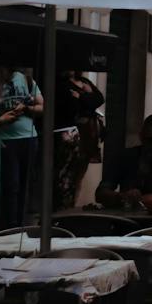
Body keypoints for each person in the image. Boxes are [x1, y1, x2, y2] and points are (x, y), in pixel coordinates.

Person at [0, 61, 43, 229]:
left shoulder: (26, 79)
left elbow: (42, 107)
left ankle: (19, 225)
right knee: (11, 184)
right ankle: (9, 226)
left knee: (24, 185)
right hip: (6, 139)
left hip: (28, 138)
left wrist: (26, 108)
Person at [96, 113, 152, 212]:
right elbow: (100, 194)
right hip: (128, 219)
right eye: (151, 140)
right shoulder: (124, 157)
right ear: (141, 137)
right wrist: (122, 196)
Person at [53, 68, 103, 209]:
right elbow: (73, 105)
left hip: (89, 131)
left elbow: (98, 99)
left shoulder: (85, 82)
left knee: (81, 169)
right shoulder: (63, 84)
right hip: (75, 129)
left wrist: (81, 97)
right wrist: (87, 96)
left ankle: (73, 202)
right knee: (67, 170)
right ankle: (64, 204)